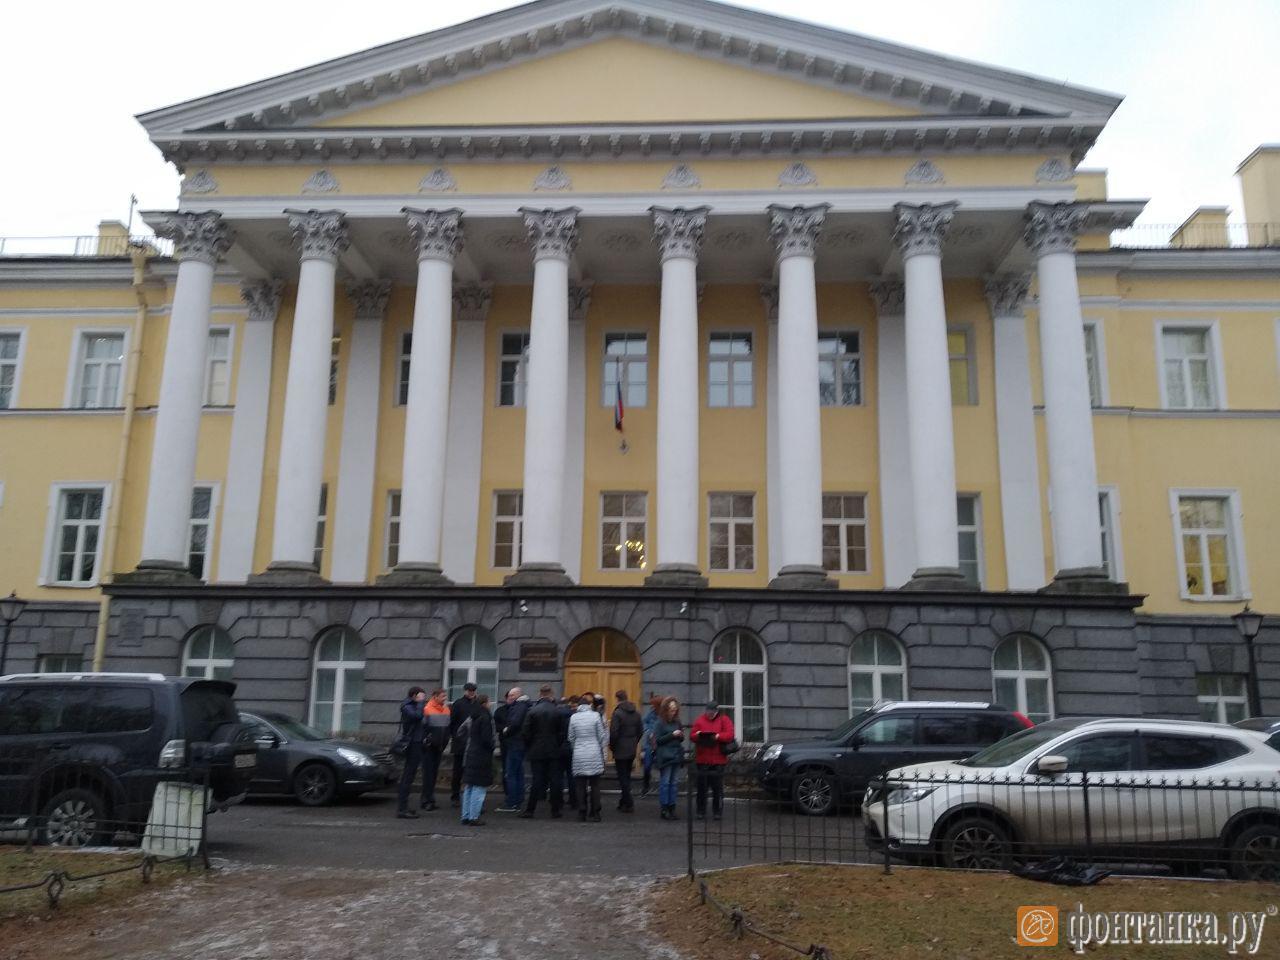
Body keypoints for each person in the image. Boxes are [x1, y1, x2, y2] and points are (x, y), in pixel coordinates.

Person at [519, 685, 564, 819]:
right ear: (551, 694)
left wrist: (530, 746)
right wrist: (557, 744)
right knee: (555, 780)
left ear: (540, 694)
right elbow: (562, 733)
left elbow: (525, 732)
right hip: (553, 749)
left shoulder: (532, 711)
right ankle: (555, 810)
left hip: (536, 749)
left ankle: (530, 810)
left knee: (536, 780)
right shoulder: (557, 711)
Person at [689, 700, 736, 820]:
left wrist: (717, 736)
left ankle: (717, 811)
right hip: (702, 759)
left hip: (718, 760)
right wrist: (698, 735)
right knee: (701, 788)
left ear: (716, 711)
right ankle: (701, 811)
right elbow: (692, 736)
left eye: (712, 711)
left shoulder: (724, 720)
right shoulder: (700, 720)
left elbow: (730, 735)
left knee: (717, 788)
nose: (709, 713)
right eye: (708, 711)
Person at [567, 693, 607, 822]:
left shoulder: (573, 717)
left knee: (580, 785)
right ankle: (596, 813)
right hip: (594, 752)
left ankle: (582, 811)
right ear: (589, 705)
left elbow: (571, 737)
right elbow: (602, 736)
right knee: (595, 785)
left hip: (579, 754)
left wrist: (576, 747)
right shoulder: (596, 716)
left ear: (578, 706)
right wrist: (600, 749)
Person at [460, 693, 495, 826]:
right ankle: (474, 816)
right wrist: (492, 747)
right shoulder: (485, 717)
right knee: (479, 788)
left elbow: (462, 732)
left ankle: (466, 815)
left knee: (469, 786)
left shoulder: (473, 716)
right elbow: (487, 738)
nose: (490, 703)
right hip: (481, 755)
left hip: (471, 753)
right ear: (485, 703)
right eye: (489, 701)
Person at [494, 687, 531, 812]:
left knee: (511, 773)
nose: (509, 698)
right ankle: (518, 799)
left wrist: (506, 730)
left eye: (511, 695)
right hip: (520, 744)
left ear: (517, 695)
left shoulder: (519, 707)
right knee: (518, 773)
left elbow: (514, 723)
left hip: (515, 743)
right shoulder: (524, 706)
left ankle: (512, 802)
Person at [608, 689, 644, 813]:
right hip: (631, 748)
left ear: (617, 699)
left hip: (620, 749)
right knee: (627, 775)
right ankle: (623, 802)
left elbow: (614, 733)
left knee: (622, 777)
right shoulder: (636, 713)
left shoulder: (617, 713)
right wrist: (634, 742)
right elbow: (640, 730)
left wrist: (612, 746)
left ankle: (628, 802)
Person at [395, 686, 427, 819]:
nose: (423, 700)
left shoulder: (413, 705)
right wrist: (420, 703)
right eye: (421, 696)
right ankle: (402, 809)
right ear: (414, 695)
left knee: (410, 775)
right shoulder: (407, 706)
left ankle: (405, 807)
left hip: (417, 742)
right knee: (407, 776)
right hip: (411, 743)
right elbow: (417, 716)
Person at [652, 696, 685, 820]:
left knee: (674, 783)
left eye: (675, 710)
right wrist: (672, 735)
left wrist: (680, 735)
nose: (673, 712)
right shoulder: (659, 723)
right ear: (666, 710)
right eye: (671, 710)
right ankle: (664, 808)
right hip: (665, 756)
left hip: (676, 754)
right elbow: (658, 740)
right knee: (665, 783)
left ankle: (672, 807)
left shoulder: (677, 722)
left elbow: (682, 738)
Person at [448, 682, 480, 806]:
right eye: (469, 691)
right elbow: (452, 722)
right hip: (460, 743)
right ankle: (455, 796)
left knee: (471, 771)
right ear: (465, 691)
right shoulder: (458, 704)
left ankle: (470, 797)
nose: (471, 693)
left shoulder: (477, 704)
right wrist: (455, 736)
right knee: (457, 771)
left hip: (473, 743)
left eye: (473, 691)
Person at [421, 688, 451, 811]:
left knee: (433, 775)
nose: (445, 699)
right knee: (428, 775)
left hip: (439, 746)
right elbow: (423, 729)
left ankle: (430, 799)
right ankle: (426, 800)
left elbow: (447, 728)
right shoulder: (427, 709)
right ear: (435, 697)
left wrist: (445, 742)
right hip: (429, 747)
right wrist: (427, 742)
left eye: (445, 696)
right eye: (443, 696)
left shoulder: (446, 709)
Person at [556, 696, 577, 809]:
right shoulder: (573, 715)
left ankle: (558, 800)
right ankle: (573, 800)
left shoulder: (554, 715)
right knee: (571, 775)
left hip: (558, 748)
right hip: (571, 748)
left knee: (558, 775)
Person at [640, 693, 662, 797]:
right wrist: (648, 731)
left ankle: (663, 787)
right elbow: (644, 722)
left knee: (662, 765)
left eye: (653, 705)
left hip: (661, 743)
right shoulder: (651, 713)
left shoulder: (663, 715)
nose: (652, 706)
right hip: (649, 743)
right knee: (647, 766)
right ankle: (645, 787)